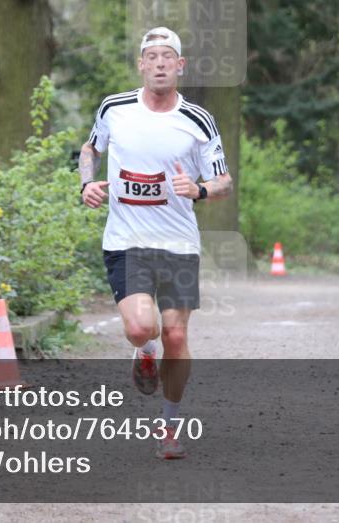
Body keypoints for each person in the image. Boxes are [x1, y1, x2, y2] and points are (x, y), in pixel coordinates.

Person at [78, 27, 233, 459]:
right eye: (153, 56)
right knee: (142, 328)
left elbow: (224, 181)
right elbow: (89, 150)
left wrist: (200, 190)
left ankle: (169, 425)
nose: (161, 63)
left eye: (169, 56)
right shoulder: (115, 108)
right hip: (127, 239)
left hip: (179, 243)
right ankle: (143, 351)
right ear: (141, 64)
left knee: (178, 336)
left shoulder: (198, 120)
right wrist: (87, 185)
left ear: (180, 67)